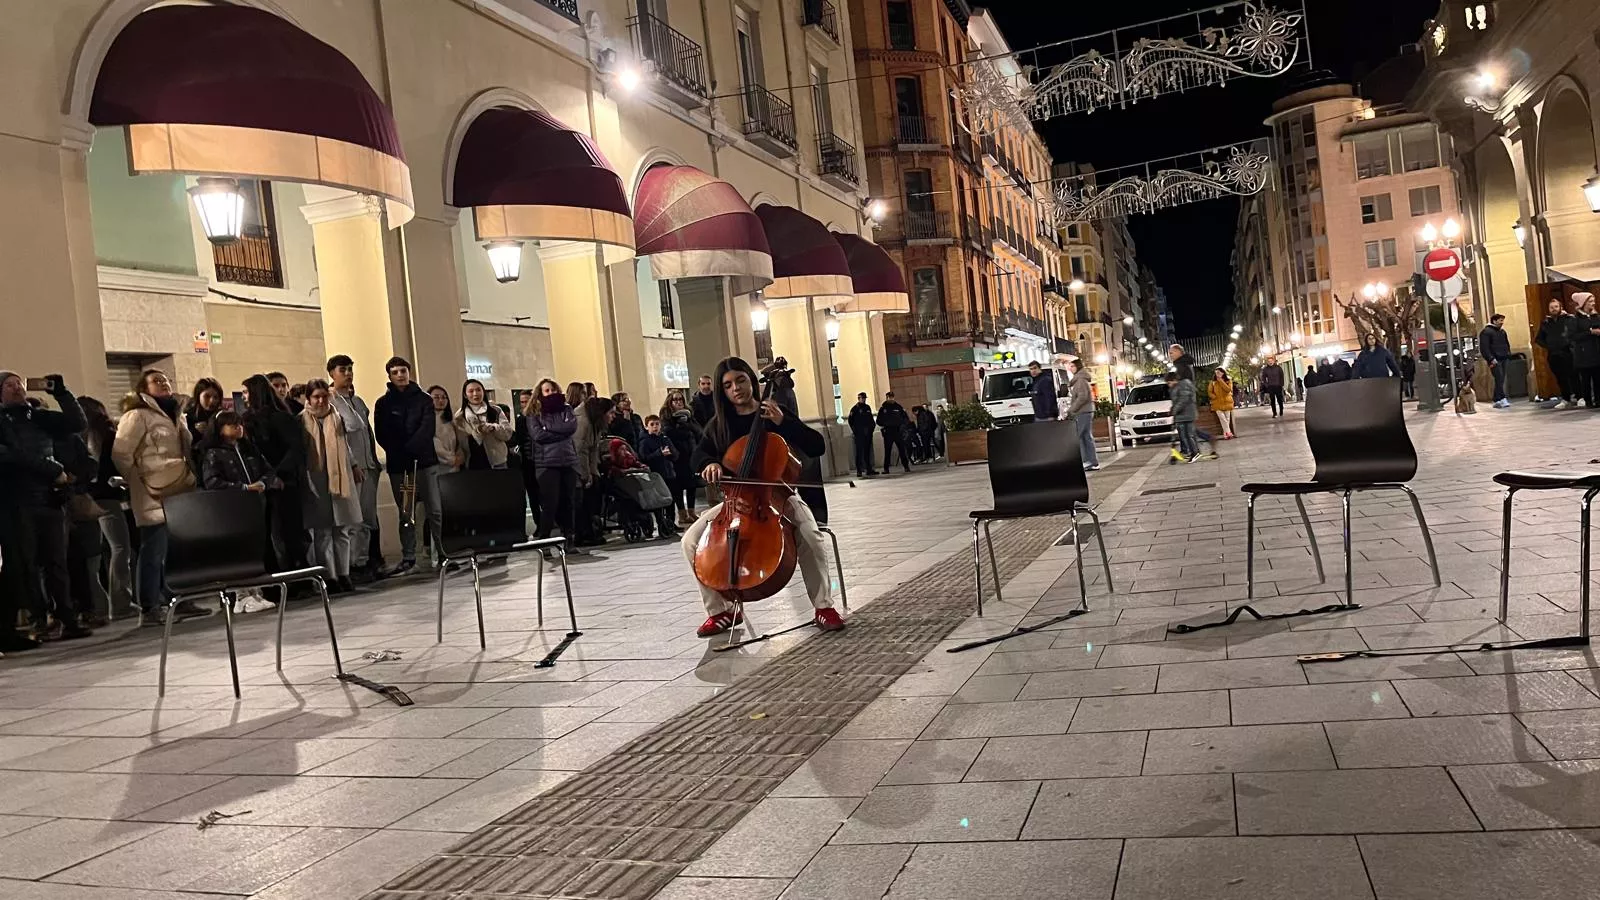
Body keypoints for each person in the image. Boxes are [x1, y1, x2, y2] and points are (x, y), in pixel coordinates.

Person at [681, 357, 844, 637]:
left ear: (752, 381)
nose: (736, 389)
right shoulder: (719, 424)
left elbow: (816, 446)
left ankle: (823, 606)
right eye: (728, 385)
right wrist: (709, 462)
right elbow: (698, 454)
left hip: (779, 497)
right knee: (690, 541)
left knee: (810, 535)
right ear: (722, 391)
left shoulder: (774, 413)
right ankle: (721, 611)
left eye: (741, 380)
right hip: (735, 501)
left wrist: (783, 423)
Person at [0, 371, 91, 643]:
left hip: (50, 499)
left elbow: (77, 423)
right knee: (27, 564)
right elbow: (12, 454)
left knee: (57, 563)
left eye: (19, 383)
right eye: (9, 385)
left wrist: (62, 394)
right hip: (17, 502)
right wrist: (51, 469)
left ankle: (67, 618)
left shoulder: (38, 416)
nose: (17, 388)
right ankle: (39, 618)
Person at [111, 369, 205, 624]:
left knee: (175, 549)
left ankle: (175, 599)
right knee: (153, 549)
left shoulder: (176, 414)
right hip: (150, 492)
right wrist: (138, 479)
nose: (164, 383)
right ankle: (150, 607)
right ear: (143, 388)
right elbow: (121, 454)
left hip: (179, 488)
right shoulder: (136, 416)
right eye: (156, 381)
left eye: (165, 380)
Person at [197, 409, 280, 612]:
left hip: (255, 506)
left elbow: (268, 471)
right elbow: (212, 482)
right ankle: (241, 595)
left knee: (254, 550)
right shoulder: (214, 453)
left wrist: (262, 482)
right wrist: (243, 488)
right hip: (231, 509)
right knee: (238, 553)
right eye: (232, 424)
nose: (238, 427)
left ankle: (255, 592)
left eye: (239, 423)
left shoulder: (249, 449)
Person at [374, 357, 437, 576]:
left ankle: (444, 552)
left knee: (434, 510)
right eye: (395, 372)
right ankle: (410, 556)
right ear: (389, 376)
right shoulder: (383, 403)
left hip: (424, 463)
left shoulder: (424, 400)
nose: (400, 375)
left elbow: (427, 428)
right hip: (403, 469)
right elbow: (381, 433)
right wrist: (400, 451)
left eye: (403, 371)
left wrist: (413, 447)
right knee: (407, 512)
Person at [242, 373, 309, 578]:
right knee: (274, 534)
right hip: (262, 483)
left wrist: (277, 473)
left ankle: (295, 577)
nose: (243, 397)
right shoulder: (250, 419)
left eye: (246, 392)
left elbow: (295, 449)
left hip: (283, 483)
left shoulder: (278, 418)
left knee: (287, 534)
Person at [300, 380, 363, 593]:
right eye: (316, 397)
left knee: (342, 529)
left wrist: (353, 465)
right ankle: (329, 576)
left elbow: (352, 432)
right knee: (323, 532)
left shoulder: (337, 416)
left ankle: (344, 573)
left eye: (324, 396)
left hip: (340, 476)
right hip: (316, 478)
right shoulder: (302, 420)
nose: (321, 401)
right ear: (308, 399)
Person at [327, 355, 384, 581]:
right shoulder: (330, 402)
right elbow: (339, 437)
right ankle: (349, 566)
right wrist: (352, 464)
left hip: (368, 466)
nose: (348, 373)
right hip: (350, 469)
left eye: (351, 369)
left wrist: (373, 460)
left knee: (368, 518)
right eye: (343, 369)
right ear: (332, 373)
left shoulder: (357, 401)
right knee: (353, 519)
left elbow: (366, 432)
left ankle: (364, 561)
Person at [80, 396, 135, 620]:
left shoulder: (80, 435)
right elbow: (115, 463)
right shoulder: (105, 433)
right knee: (121, 548)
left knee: (98, 554)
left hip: (90, 498)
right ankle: (121, 603)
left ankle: (101, 604)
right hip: (108, 496)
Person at [527, 379, 583, 551]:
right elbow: (538, 436)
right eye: (546, 390)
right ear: (540, 393)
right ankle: (544, 541)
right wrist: (560, 432)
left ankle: (569, 539)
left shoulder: (566, 409)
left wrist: (550, 430)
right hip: (547, 464)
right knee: (550, 503)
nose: (550, 393)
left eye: (553, 390)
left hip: (568, 461)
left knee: (568, 502)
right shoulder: (534, 413)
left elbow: (571, 428)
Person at [574, 396, 614, 545]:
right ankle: (582, 534)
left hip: (586, 465)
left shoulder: (595, 424)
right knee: (582, 502)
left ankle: (590, 532)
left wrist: (594, 472)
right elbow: (580, 450)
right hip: (575, 467)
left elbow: (593, 450)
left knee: (594, 493)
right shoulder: (583, 423)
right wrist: (586, 475)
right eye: (611, 413)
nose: (613, 416)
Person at [661, 391, 703, 523]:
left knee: (692, 484)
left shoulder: (689, 415)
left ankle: (691, 511)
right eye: (675, 400)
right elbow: (668, 433)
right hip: (676, 456)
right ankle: (682, 513)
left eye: (680, 399)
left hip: (690, 453)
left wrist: (688, 424)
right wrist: (679, 425)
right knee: (678, 486)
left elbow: (699, 431)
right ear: (670, 402)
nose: (678, 402)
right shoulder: (667, 417)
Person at [455, 378, 514, 470]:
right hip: (474, 463)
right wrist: (479, 432)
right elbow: (463, 443)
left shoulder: (495, 410)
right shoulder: (460, 416)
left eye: (478, 390)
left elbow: (507, 434)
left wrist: (495, 427)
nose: (475, 394)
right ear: (465, 395)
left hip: (498, 462)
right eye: (471, 391)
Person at [1536, 298, 1579, 408]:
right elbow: (1539, 339)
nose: (1554, 309)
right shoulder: (1546, 323)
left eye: (1556, 307)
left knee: (1573, 375)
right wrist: (1549, 345)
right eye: (1551, 307)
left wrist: (1569, 343)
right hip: (1553, 354)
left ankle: (1579, 396)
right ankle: (1566, 398)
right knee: (1560, 377)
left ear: (1560, 307)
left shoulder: (1569, 319)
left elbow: (1575, 333)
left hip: (1568, 352)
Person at [1065, 358, 1098, 470]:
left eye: (1072, 366)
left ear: (1078, 367)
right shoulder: (1080, 379)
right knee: (1085, 436)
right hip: (1085, 411)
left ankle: (1087, 460)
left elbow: (1082, 397)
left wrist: (1072, 409)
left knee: (1080, 436)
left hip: (1083, 411)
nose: (1070, 368)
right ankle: (1091, 461)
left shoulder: (1080, 380)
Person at [185, 377, 224, 470]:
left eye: (216, 397)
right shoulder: (187, 417)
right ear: (198, 396)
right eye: (207, 396)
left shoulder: (222, 416)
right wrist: (195, 431)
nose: (212, 401)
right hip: (198, 466)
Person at [1479, 313, 1513, 408]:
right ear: (1494, 321)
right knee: (1499, 378)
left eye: (1503, 320)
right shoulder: (1486, 332)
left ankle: (1497, 398)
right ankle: (1501, 398)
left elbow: (1507, 343)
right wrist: (1490, 358)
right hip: (1495, 359)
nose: (1502, 322)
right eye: (1500, 320)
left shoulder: (1502, 332)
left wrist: (1508, 353)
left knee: (1501, 379)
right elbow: (1484, 348)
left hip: (1504, 357)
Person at [1574, 293, 1600, 408]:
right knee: (1586, 379)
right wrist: (1590, 332)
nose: (1593, 303)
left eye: (1594, 301)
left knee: (1598, 378)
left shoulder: (1596, 316)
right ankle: (1588, 400)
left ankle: (1598, 400)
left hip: (1596, 351)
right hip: (1584, 353)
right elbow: (1574, 336)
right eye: (1590, 301)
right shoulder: (1576, 319)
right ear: (1583, 303)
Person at [876, 390, 912, 474]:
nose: (890, 399)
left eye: (891, 397)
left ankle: (906, 466)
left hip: (898, 431)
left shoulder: (898, 407)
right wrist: (885, 425)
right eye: (889, 397)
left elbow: (905, 418)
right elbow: (878, 420)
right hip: (888, 431)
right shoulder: (883, 408)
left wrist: (903, 427)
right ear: (887, 398)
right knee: (887, 451)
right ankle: (886, 468)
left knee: (902, 450)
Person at [847, 391, 876, 477]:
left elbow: (871, 419)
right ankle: (859, 470)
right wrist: (855, 431)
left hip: (868, 433)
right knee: (859, 452)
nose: (863, 400)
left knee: (867, 451)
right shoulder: (855, 409)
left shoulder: (867, 408)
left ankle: (869, 468)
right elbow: (850, 421)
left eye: (864, 398)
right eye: (862, 398)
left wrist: (871, 429)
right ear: (859, 399)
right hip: (859, 434)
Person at [1208, 369, 1236, 439]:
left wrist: (1220, 381)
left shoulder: (1228, 380)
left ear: (1223, 373)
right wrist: (1214, 397)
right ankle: (1229, 432)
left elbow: (1228, 390)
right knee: (1222, 419)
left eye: (1219, 372)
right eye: (1216, 372)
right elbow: (1209, 392)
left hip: (1227, 402)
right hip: (1217, 403)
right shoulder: (1213, 382)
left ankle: (1226, 434)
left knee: (1227, 419)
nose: (1217, 373)